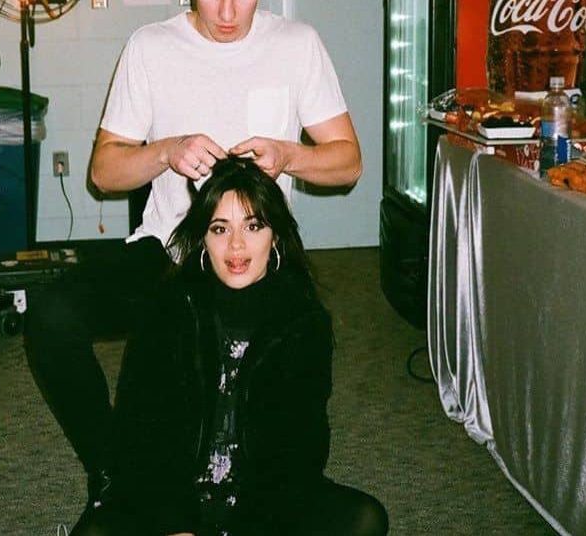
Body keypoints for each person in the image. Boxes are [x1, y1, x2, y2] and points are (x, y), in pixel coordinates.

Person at [24, 0, 363, 528]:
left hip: (255, 257)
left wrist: (289, 155)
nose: (227, 11)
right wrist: (166, 151)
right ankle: (113, 476)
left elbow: (348, 163)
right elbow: (104, 173)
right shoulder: (151, 46)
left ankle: (253, 492)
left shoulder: (298, 45)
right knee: (51, 314)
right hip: (171, 251)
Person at [72, 157, 388, 536]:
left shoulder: (303, 322)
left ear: (275, 236)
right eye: (220, 228)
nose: (236, 245)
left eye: (253, 226)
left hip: (261, 508)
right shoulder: (168, 308)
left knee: (365, 520)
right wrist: (176, 526)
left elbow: (300, 451)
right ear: (203, 238)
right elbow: (141, 433)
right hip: (174, 500)